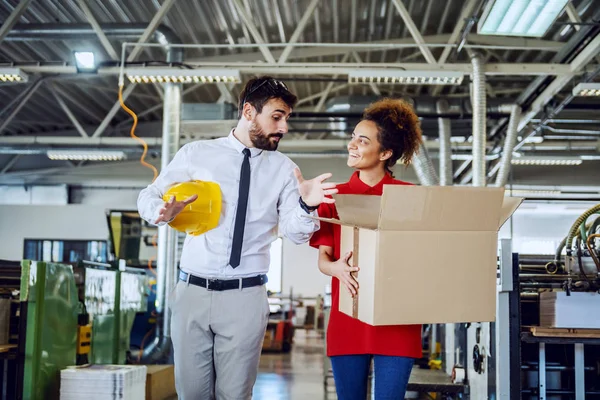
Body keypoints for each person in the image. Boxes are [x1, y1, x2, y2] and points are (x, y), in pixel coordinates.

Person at [137, 76, 338, 400]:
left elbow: (294, 232)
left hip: (245, 297)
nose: (284, 127)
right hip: (192, 293)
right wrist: (159, 210)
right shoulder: (197, 154)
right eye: (276, 116)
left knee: (235, 395)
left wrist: (305, 204)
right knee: (191, 394)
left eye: (286, 118)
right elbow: (150, 194)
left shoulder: (285, 170)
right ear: (248, 111)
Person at [309, 98, 423, 400]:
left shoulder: (410, 198)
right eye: (352, 138)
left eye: (362, 140)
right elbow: (324, 258)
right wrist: (335, 268)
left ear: (385, 153)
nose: (352, 145)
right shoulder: (334, 196)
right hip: (349, 317)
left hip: (398, 321)